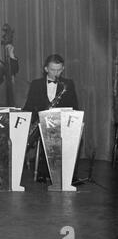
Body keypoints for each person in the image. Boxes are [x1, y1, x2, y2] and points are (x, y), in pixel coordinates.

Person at [23, 54, 79, 183]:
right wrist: (27, 123)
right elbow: (29, 106)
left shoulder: (68, 84)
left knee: (75, 137)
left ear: (63, 68)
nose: (56, 73)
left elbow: (74, 107)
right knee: (46, 134)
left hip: (62, 122)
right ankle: (43, 172)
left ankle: (70, 175)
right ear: (46, 69)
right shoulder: (36, 84)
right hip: (41, 122)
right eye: (53, 70)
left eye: (59, 70)